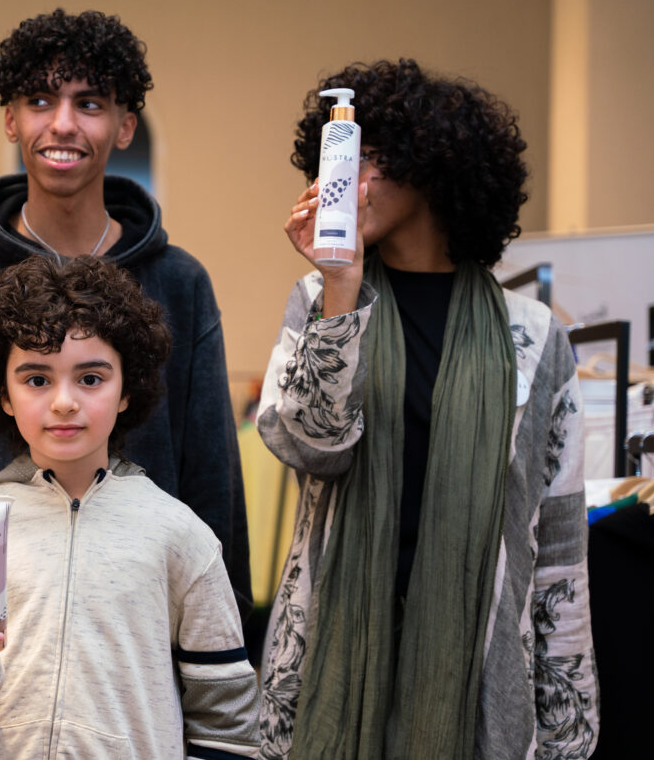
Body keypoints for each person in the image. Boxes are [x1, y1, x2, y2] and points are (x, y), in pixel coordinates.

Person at [255, 59, 599, 760]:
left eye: (370, 157)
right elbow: (310, 445)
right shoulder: (319, 302)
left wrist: (568, 731)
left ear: (433, 163)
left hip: (481, 673)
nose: (351, 180)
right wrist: (340, 284)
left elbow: (560, 547)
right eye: (337, 160)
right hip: (333, 661)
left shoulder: (534, 336)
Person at [0, 8, 252, 630]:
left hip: (134, 627)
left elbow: (213, 483)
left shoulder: (178, 283)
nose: (63, 124)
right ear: (11, 119)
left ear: (125, 126)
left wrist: (222, 633)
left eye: (90, 103)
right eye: (41, 100)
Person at [0, 255, 261, 758]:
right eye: (37, 379)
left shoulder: (180, 536)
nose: (64, 402)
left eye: (90, 379)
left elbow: (227, 722)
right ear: (5, 395)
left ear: (126, 389)